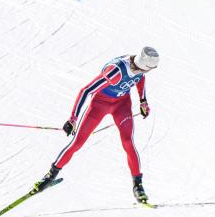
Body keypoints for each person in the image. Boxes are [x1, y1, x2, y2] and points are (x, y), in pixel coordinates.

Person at [33, 46, 159, 203]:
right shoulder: (115, 72)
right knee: (77, 143)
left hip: (122, 105)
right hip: (100, 105)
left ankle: (138, 186)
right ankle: (50, 175)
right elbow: (86, 91)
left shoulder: (139, 67)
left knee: (128, 142)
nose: (148, 72)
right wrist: (73, 118)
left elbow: (139, 78)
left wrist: (143, 101)